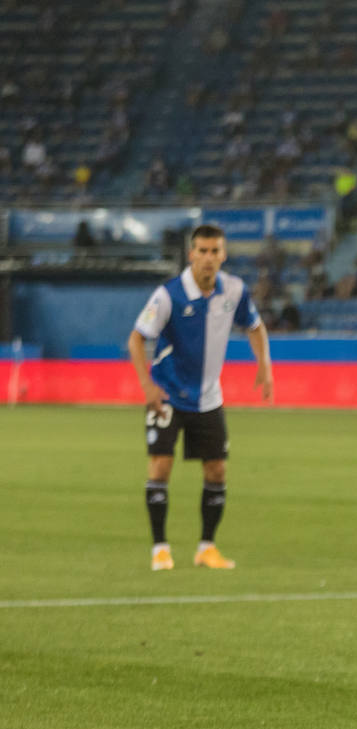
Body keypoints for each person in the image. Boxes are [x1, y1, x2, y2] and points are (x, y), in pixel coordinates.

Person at [127, 224, 273, 572]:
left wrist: (264, 363)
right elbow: (136, 338)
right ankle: (160, 549)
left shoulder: (234, 290)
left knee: (217, 470)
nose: (209, 258)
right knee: (161, 466)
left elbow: (254, 326)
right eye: (202, 251)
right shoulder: (169, 295)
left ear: (223, 255)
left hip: (209, 397)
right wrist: (147, 386)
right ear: (191, 254)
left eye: (215, 251)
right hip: (167, 395)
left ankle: (207, 548)